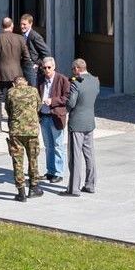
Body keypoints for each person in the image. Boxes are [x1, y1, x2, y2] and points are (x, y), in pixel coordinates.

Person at [64, 57, 99, 195]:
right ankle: (90, 185)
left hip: (77, 122)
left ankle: (73, 188)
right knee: (90, 155)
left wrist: (64, 108)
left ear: (77, 69)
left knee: (75, 156)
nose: (72, 72)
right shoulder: (95, 81)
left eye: (73, 70)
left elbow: (71, 103)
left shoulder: (76, 84)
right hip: (89, 121)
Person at [5, 74, 42, 201]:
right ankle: (34, 187)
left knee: (17, 161)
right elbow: (39, 106)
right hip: (31, 131)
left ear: (14, 84)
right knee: (33, 159)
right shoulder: (33, 90)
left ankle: (21, 192)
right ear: (26, 83)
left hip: (16, 131)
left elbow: (8, 109)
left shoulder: (11, 92)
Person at [34, 55, 70, 185]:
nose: (47, 70)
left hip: (56, 116)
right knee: (48, 146)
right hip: (44, 116)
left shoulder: (62, 79)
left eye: (49, 67)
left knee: (58, 145)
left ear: (54, 67)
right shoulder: (41, 79)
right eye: (44, 68)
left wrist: (52, 101)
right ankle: (50, 171)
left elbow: (67, 97)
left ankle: (58, 173)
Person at [0, 16, 25, 134]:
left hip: (0, 74)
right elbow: (26, 56)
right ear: (12, 26)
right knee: (14, 99)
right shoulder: (20, 38)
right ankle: (13, 126)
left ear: (2, 26)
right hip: (16, 74)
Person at [18, 13, 51, 92]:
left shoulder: (35, 36)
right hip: (24, 67)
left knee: (33, 90)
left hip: (32, 69)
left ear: (30, 24)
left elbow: (47, 52)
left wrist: (37, 64)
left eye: (24, 24)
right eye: (21, 24)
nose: (22, 26)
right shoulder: (23, 35)